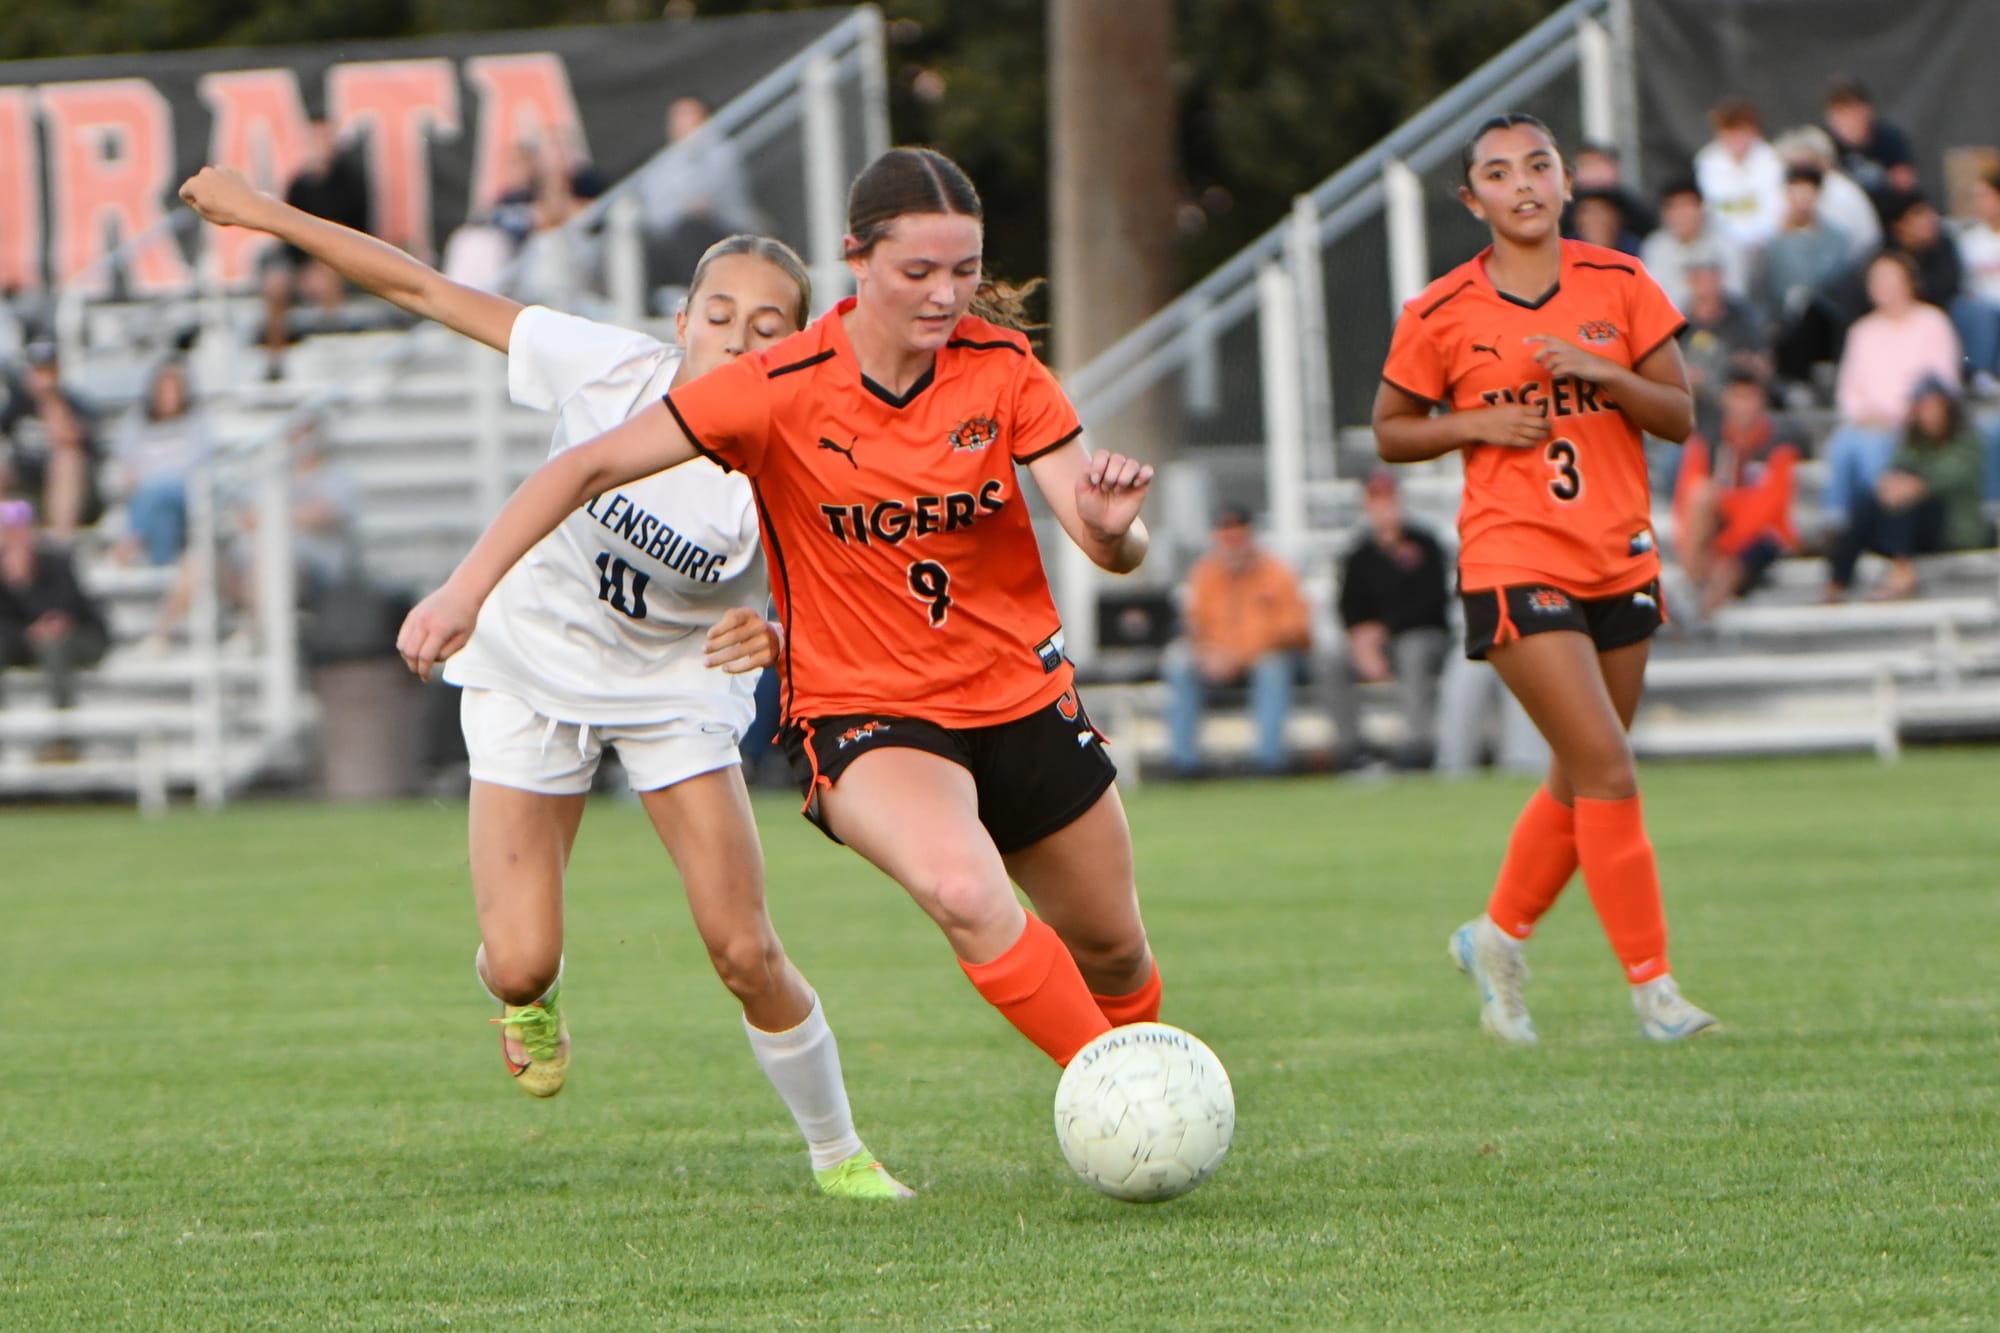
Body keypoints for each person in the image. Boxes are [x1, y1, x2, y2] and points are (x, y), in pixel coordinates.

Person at [178, 164, 914, 1200]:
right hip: (528, 665)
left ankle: (840, 1155)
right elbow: (427, 289)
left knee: (743, 949)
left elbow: (872, 601)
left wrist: (783, 636)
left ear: (795, 345)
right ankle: (529, 997)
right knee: (519, 961)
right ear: (681, 323)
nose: (736, 340)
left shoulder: (803, 456)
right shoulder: (606, 369)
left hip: (673, 688)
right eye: (717, 316)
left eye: (765, 326)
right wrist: (265, 214)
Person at [396, 145, 1167, 1084]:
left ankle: (1142, 1090)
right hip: (871, 710)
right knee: (963, 889)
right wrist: (465, 589)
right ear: (857, 258)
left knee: (1115, 949)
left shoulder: (1003, 368)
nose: (945, 295)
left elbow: (1103, 541)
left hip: (1018, 693)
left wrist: (1117, 531)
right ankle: (1129, 1090)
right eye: (918, 271)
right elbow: (584, 463)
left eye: (964, 271)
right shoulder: (778, 384)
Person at [1372, 113, 1717, 1045]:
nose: (1522, 184)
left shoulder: (1622, 281)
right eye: (1499, 173)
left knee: (1580, 775)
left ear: (1567, 181)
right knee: (1608, 766)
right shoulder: (1440, 310)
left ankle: (1496, 936)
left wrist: (1605, 372)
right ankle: (1655, 991)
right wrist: (1474, 425)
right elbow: (1392, 430)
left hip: (1620, 555)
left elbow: (1678, 415)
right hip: (1513, 556)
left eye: (1538, 165)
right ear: (1471, 199)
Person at [1161, 504, 1312, 777]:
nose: (1232, 546)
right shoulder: (1206, 573)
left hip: (1262, 658)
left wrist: (1240, 656)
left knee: (1272, 667)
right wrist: (1205, 654)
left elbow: (1295, 630)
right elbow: (1194, 625)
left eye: (1238, 538)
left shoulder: (1277, 572)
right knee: (1179, 664)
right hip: (1215, 661)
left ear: (1251, 537)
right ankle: (1184, 763)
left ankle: (1269, 761)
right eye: (1226, 539)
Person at [1820, 251, 1961, 531]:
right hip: (1869, 421)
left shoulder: (1933, 323)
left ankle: (1880, 522)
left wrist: (1899, 415)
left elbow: (1942, 382)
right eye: (1877, 281)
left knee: (1874, 448)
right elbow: (1848, 390)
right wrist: (1864, 415)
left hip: (1914, 420)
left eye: (1891, 279)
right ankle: (1837, 522)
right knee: (1842, 445)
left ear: (1909, 282)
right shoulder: (1862, 331)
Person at [1826, 375, 1995, 601]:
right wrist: (1891, 487)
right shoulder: (1912, 442)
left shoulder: (1967, 440)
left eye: (1933, 406)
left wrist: (1916, 486)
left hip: (1953, 527)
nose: (1928, 413)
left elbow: (1953, 474)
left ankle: (1902, 572)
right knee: (1868, 501)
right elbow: (1896, 469)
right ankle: (1838, 581)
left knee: (1908, 505)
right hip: (1911, 527)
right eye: (1922, 406)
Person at [1327, 469, 1450, 772]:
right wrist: (1361, 642)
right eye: (1376, 499)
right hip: (1375, 643)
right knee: (1330, 659)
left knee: (1412, 651)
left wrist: (1385, 629)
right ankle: (1351, 747)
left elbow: (1433, 601)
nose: (1384, 507)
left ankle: (1417, 744)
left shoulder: (1426, 544)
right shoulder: (1358, 553)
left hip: (1424, 636)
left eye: (1388, 498)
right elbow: (1348, 605)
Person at [1673, 362, 1801, 617]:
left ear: (1761, 400)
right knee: (1700, 495)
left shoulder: (1778, 445)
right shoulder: (1708, 441)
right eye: (1737, 396)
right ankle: (1694, 581)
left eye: (1749, 397)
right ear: (1726, 398)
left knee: (1727, 569)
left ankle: (1700, 614)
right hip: (1714, 533)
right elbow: (1685, 497)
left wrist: (1724, 546)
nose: (1743, 406)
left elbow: (1769, 508)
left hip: (1761, 535)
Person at [260, 119, 373, 379]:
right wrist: (302, 267)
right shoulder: (299, 185)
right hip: (303, 261)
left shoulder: (350, 182)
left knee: (327, 273)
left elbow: (357, 231)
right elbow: (287, 233)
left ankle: (331, 345)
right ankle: (275, 359)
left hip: (340, 261)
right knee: (275, 285)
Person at [0, 498, 110, 762]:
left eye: (20, 528)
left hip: (79, 637)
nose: (16, 536)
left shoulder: (57, 561)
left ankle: (64, 739)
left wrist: (26, 585)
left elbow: (67, 611)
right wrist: (18, 589)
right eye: (9, 530)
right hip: (26, 641)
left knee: (54, 645)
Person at [110, 356, 212, 566]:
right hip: (148, 498)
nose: (170, 396)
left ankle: (131, 537)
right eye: (165, 390)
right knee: (162, 519)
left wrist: (155, 477)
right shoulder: (137, 422)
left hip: (186, 492)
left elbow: (198, 462)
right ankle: (163, 569)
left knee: (159, 487)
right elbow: (126, 461)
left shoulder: (196, 421)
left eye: (175, 389)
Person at [0, 339, 101, 540]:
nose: (43, 379)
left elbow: (72, 439)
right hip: (25, 476)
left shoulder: (73, 404)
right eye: (38, 371)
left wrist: (50, 402)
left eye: (48, 371)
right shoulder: (17, 405)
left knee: (68, 460)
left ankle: (59, 540)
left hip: (67, 481)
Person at [1677, 257, 1767, 441]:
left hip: (1733, 399)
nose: (1706, 286)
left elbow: (1760, 363)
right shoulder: (1679, 324)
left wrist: (1741, 365)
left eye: (1710, 278)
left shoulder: (1741, 318)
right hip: (1694, 407)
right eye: (1699, 279)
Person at [1693, 98, 1786, 258]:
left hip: (1766, 243)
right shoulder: (1707, 161)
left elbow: (1775, 208)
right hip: (1721, 245)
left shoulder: (1771, 159)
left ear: (1754, 131)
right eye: (1729, 132)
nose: (1736, 139)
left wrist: (1755, 239)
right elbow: (1713, 207)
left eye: (1741, 131)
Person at [1640, 178, 1746, 310]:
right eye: (1675, 208)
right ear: (1664, 213)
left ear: (1701, 209)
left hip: (1719, 319)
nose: (1682, 215)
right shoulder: (1655, 247)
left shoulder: (1725, 243)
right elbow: (1651, 298)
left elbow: (1736, 293)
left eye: (1687, 206)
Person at [1822, 75, 1918, 208]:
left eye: (1853, 111)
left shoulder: (1888, 137)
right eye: (1841, 113)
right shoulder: (1825, 145)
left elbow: (1905, 183)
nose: (1849, 120)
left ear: (1867, 110)